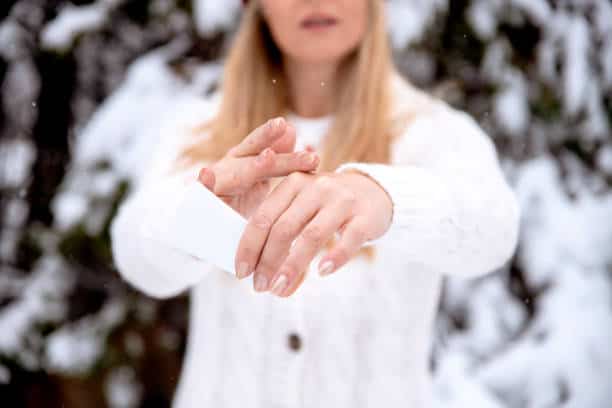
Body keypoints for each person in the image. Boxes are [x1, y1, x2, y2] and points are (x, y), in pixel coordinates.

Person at [110, 0, 520, 407]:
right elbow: (136, 255)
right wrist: (200, 219)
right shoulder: (197, 131)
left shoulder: (436, 134)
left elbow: (493, 230)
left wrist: (387, 198)